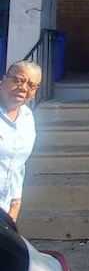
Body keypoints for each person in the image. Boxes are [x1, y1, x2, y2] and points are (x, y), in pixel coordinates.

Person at [0, 60, 42, 222]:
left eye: (31, 85)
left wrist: (15, 204)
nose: (24, 88)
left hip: (5, 210)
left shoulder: (26, 117)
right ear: (4, 80)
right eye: (18, 80)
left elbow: (17, 166)